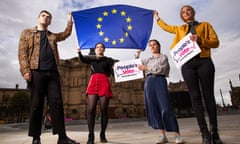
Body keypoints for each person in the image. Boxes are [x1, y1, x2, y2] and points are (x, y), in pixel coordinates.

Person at [153, 5, 223, 144]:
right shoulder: (180, 29)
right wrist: (157, 18)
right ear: (182, 16)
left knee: (208, 96)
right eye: (183, 12)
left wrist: (201, 40)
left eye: (188, 10)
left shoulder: (205, 25)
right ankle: (204, 132)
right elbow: (166, 27)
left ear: (193, 12)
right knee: (195, 97)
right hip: (187, 65)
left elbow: (215, 43)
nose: (186, 13)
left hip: (204, 61)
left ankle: (214, 132)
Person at [18, 10, 80, 144]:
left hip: (53, 73)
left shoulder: (52, 36)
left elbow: (65, 34)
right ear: (38, 18)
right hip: (36, 71)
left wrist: (69, 21)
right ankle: (36, 137)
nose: (46, 18)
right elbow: (22, 53)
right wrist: (25, 70)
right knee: (36, 105)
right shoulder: (27, 33)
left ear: (50, 21)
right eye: (43, 16)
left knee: (57, 104)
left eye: (48, 17)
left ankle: (62, 137)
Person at [137, 39, 184, 144]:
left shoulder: (163, 57)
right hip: (148, 82)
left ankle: (177, 134)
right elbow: (135, 65)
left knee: (166, 107)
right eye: (151, 45)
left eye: (154, 44)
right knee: (153, 109)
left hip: (159, 80)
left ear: (158, 46)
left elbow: (160, 69)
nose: (152, 46)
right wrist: (138, 53)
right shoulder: (147, 59)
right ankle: (162, 135)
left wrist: (146, 67)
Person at [78, 42, 118, 144]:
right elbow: (82, 59)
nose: (99, 49)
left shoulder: (109, 60)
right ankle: (90, 135)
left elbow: (113, 74)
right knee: (90, 109)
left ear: (104, 50)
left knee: (104, 110)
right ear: (95, 49)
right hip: (93, 82)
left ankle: (102, 133)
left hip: (104, 82)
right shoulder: (91, 59)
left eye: (101, 47)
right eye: (97, 47)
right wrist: (79, 52)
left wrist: (114, 69)